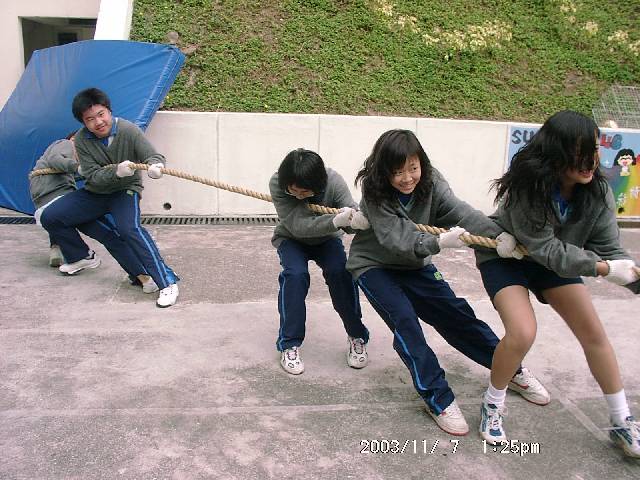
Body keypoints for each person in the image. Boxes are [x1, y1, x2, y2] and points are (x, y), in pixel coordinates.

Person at [346, 129, 548, 436]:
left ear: (422, 163)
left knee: (456, 314)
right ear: (383, 171)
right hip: (374, 265)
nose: (407, 178)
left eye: (413, 168)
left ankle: (511, 370)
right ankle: (438, 398)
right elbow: (397, 239)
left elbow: (460, 212)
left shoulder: (431, 181)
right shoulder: (374, 192)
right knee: (406, 323)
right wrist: (438, 242)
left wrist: (498, 236)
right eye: (397, 172)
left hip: (416, 265)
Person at [475, 110, 640, 457]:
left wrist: (633, 276)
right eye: (580, 152)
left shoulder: (597, 191)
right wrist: (603, 269)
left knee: (593, 333)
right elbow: (548, 249)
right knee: (522, 332)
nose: (591, 161)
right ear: (555, 152)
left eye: (594, 149)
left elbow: (609, 249)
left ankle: (621, 421)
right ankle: (492, 403)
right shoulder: (528, 186)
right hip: (507, 256)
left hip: (552, 262)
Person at [40, 88, 179, 307]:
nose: (98, 122)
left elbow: (152, 155)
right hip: (95, 192)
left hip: (125, 191)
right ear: (83, 123)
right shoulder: (82, 139)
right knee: (50, 216)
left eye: (101, 114)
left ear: (109, 111)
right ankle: (81, 256)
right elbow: (92, 175)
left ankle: (167, 283)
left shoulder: (128, 130)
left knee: (129, 230)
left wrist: (156, 166)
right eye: (90, 119)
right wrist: (116, 171)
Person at [270, 148, 370, 375]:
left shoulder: (333, 182)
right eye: (293, 191)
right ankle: (289, 344)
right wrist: (335, 221)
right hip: (291, 238)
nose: (298, 196)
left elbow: (350, 217)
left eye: (304, 192)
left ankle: (357, 335)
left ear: (318, 184)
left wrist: (354, 220)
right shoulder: (277, 183)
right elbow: (298, 226)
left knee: (340, 273)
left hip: (327, 239)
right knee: (295, 275)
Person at [29, 132, 158, 293]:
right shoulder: (66, 143)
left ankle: (143, 276)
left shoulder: (69, 163)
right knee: (109, 236)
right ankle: (80, 256)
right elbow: (56, 159)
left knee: (109, 236)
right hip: (58, 201)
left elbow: (80, 173)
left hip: (60, 204)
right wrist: (79, 168)